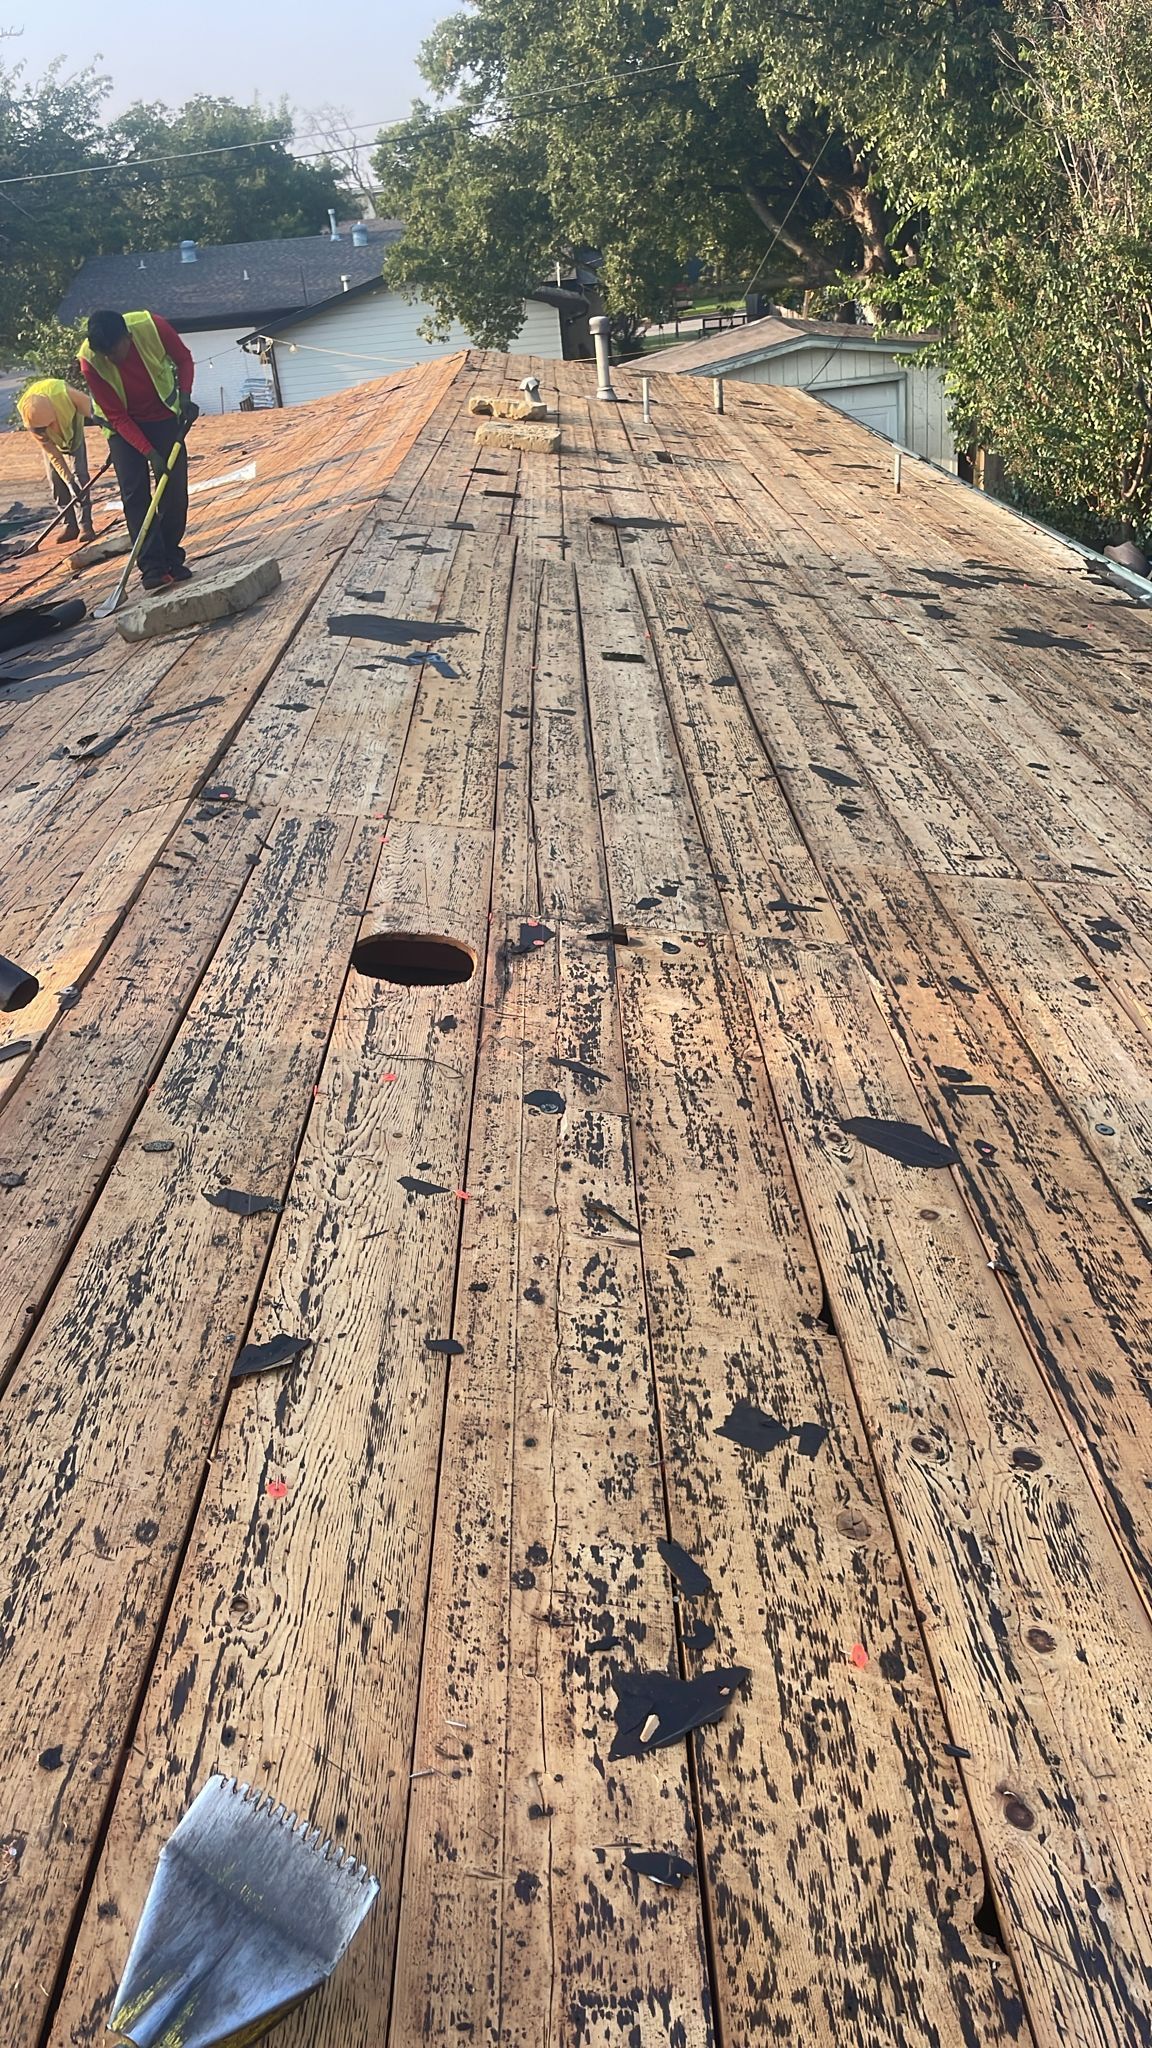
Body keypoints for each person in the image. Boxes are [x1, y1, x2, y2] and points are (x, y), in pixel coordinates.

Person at [78, 310, 200, 592]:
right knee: (135, 494)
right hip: (121, 427)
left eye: (114, 351)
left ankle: (171, 557)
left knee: (174, 489)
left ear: (128, 337)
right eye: (104, 354)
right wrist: (150, 454)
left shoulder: (153, 327)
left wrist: (185, 394)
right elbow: (118, 417)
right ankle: (152, 568)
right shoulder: (89, 360)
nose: (110, 359)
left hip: (163, 416)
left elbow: (183, 358)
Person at [16, 377, 96, 544]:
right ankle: (69, 525)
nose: (43, 433)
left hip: (72, 431)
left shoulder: (66, 394)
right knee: (56, 479)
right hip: (54, 441)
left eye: (46, 427)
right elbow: (53, 454)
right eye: (39, 430)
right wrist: (68, 480)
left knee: (80, 476)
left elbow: (98, 413)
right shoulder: (30, 416)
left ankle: (85, 525)